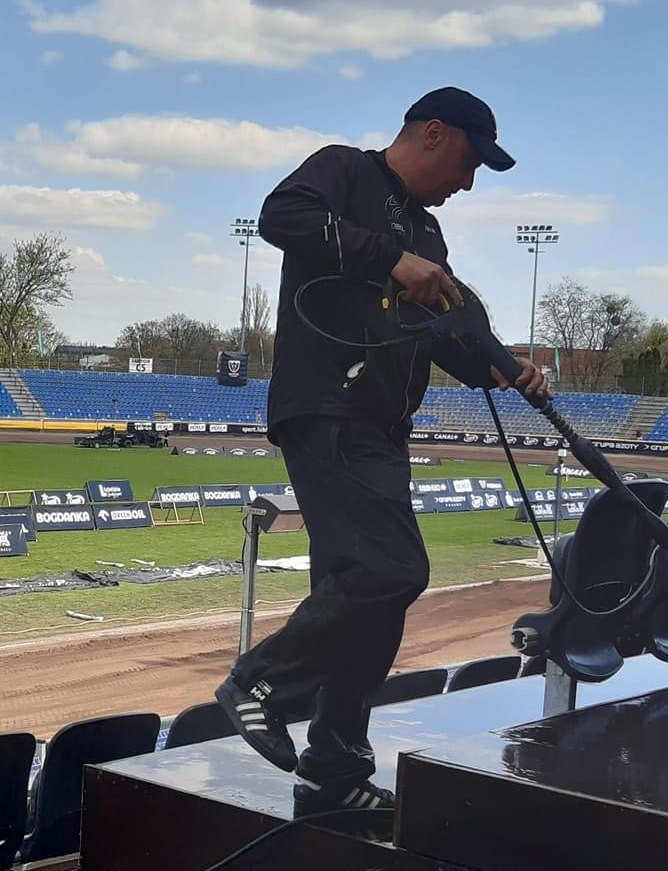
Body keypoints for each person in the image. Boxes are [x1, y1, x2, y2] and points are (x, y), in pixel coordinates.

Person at [214, 88, 548, 816]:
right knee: (391, 569)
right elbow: (282, 217)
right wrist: (390, 259)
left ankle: (334, 765)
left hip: (382, 428)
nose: (468, 182)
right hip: (328, 409)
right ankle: (260, 681)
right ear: (433, 133)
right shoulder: (342, 172)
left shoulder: (428, 235)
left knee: (374, 600)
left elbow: (450, 332)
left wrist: (501, 362)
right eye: (468, 162)